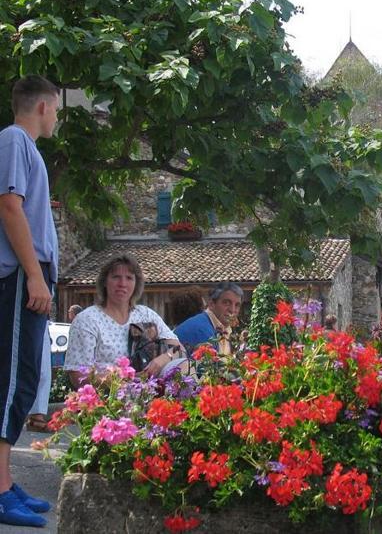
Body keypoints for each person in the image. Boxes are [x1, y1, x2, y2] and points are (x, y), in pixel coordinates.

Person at [0, 75, 61, 527]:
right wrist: (35, 276)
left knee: (21, 383)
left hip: (28, 279)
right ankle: (1, 492)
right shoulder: (13, 140)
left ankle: (3, 481)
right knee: (11, 384)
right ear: (43, 106)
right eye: (56, 108)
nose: (57, 117)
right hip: (20, 277)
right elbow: (8, 205)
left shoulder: (25, 147)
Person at [64, 254, 187, 386]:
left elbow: (179, 349)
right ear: (105, 282)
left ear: (136, 284)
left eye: (129, 278)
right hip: (107, 399)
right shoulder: (87, 320)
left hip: (152, 393)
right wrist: (125, 380)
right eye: (116, 277)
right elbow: (78, 376)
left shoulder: (145, 314)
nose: (122, 284)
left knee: (185, 366)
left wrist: (163, 359)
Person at [174, 281, 243, 355]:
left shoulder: (222, 327)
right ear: (211, 304)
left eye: (237, 305)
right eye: (226, 303)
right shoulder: (201, 330)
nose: (232, 310)